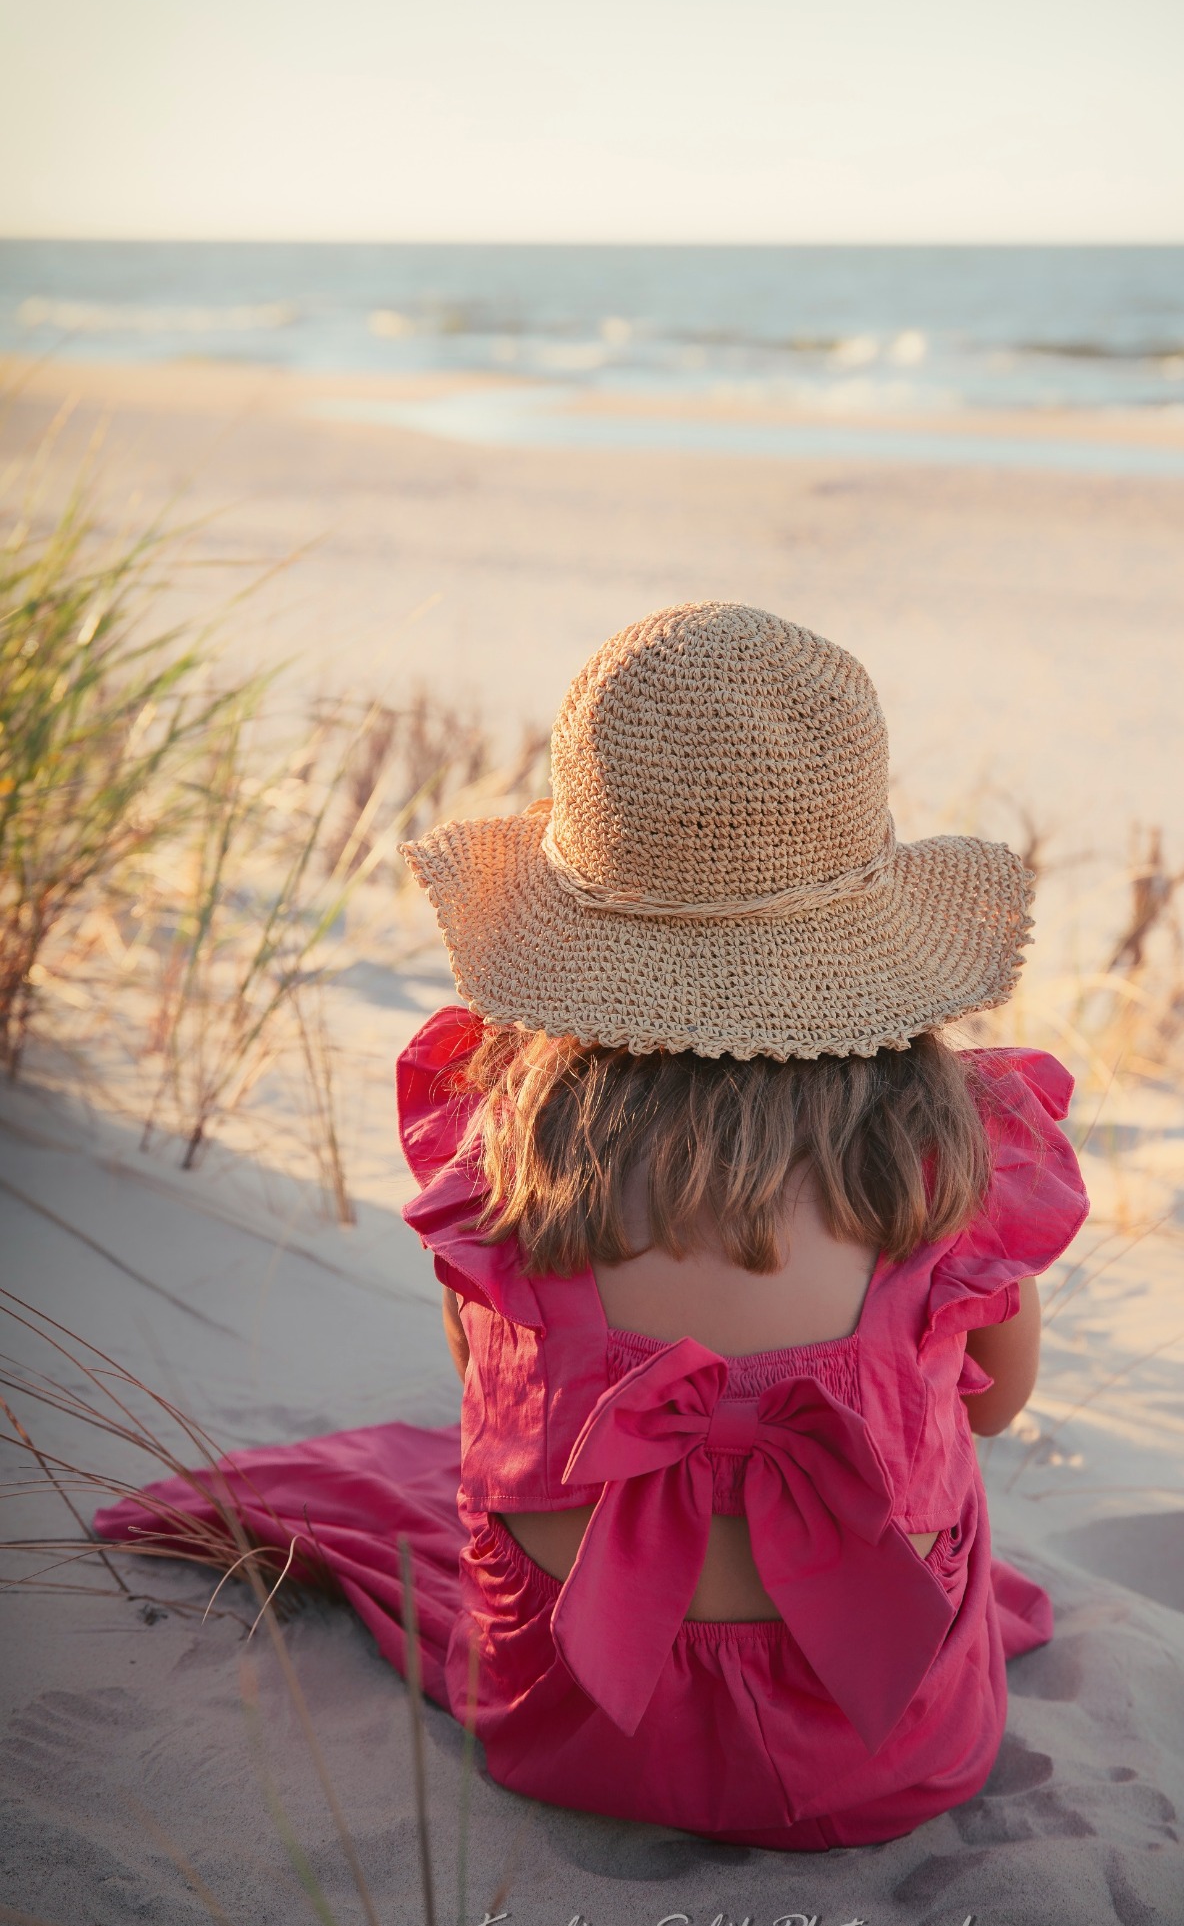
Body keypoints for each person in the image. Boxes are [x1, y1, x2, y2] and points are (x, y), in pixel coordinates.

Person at [96, 600, 1088, 1852]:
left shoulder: (502, 1146)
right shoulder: (960, 1156)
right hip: (882, 1746)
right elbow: (994, 1408)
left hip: (567, 1721)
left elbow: (481, 1388)